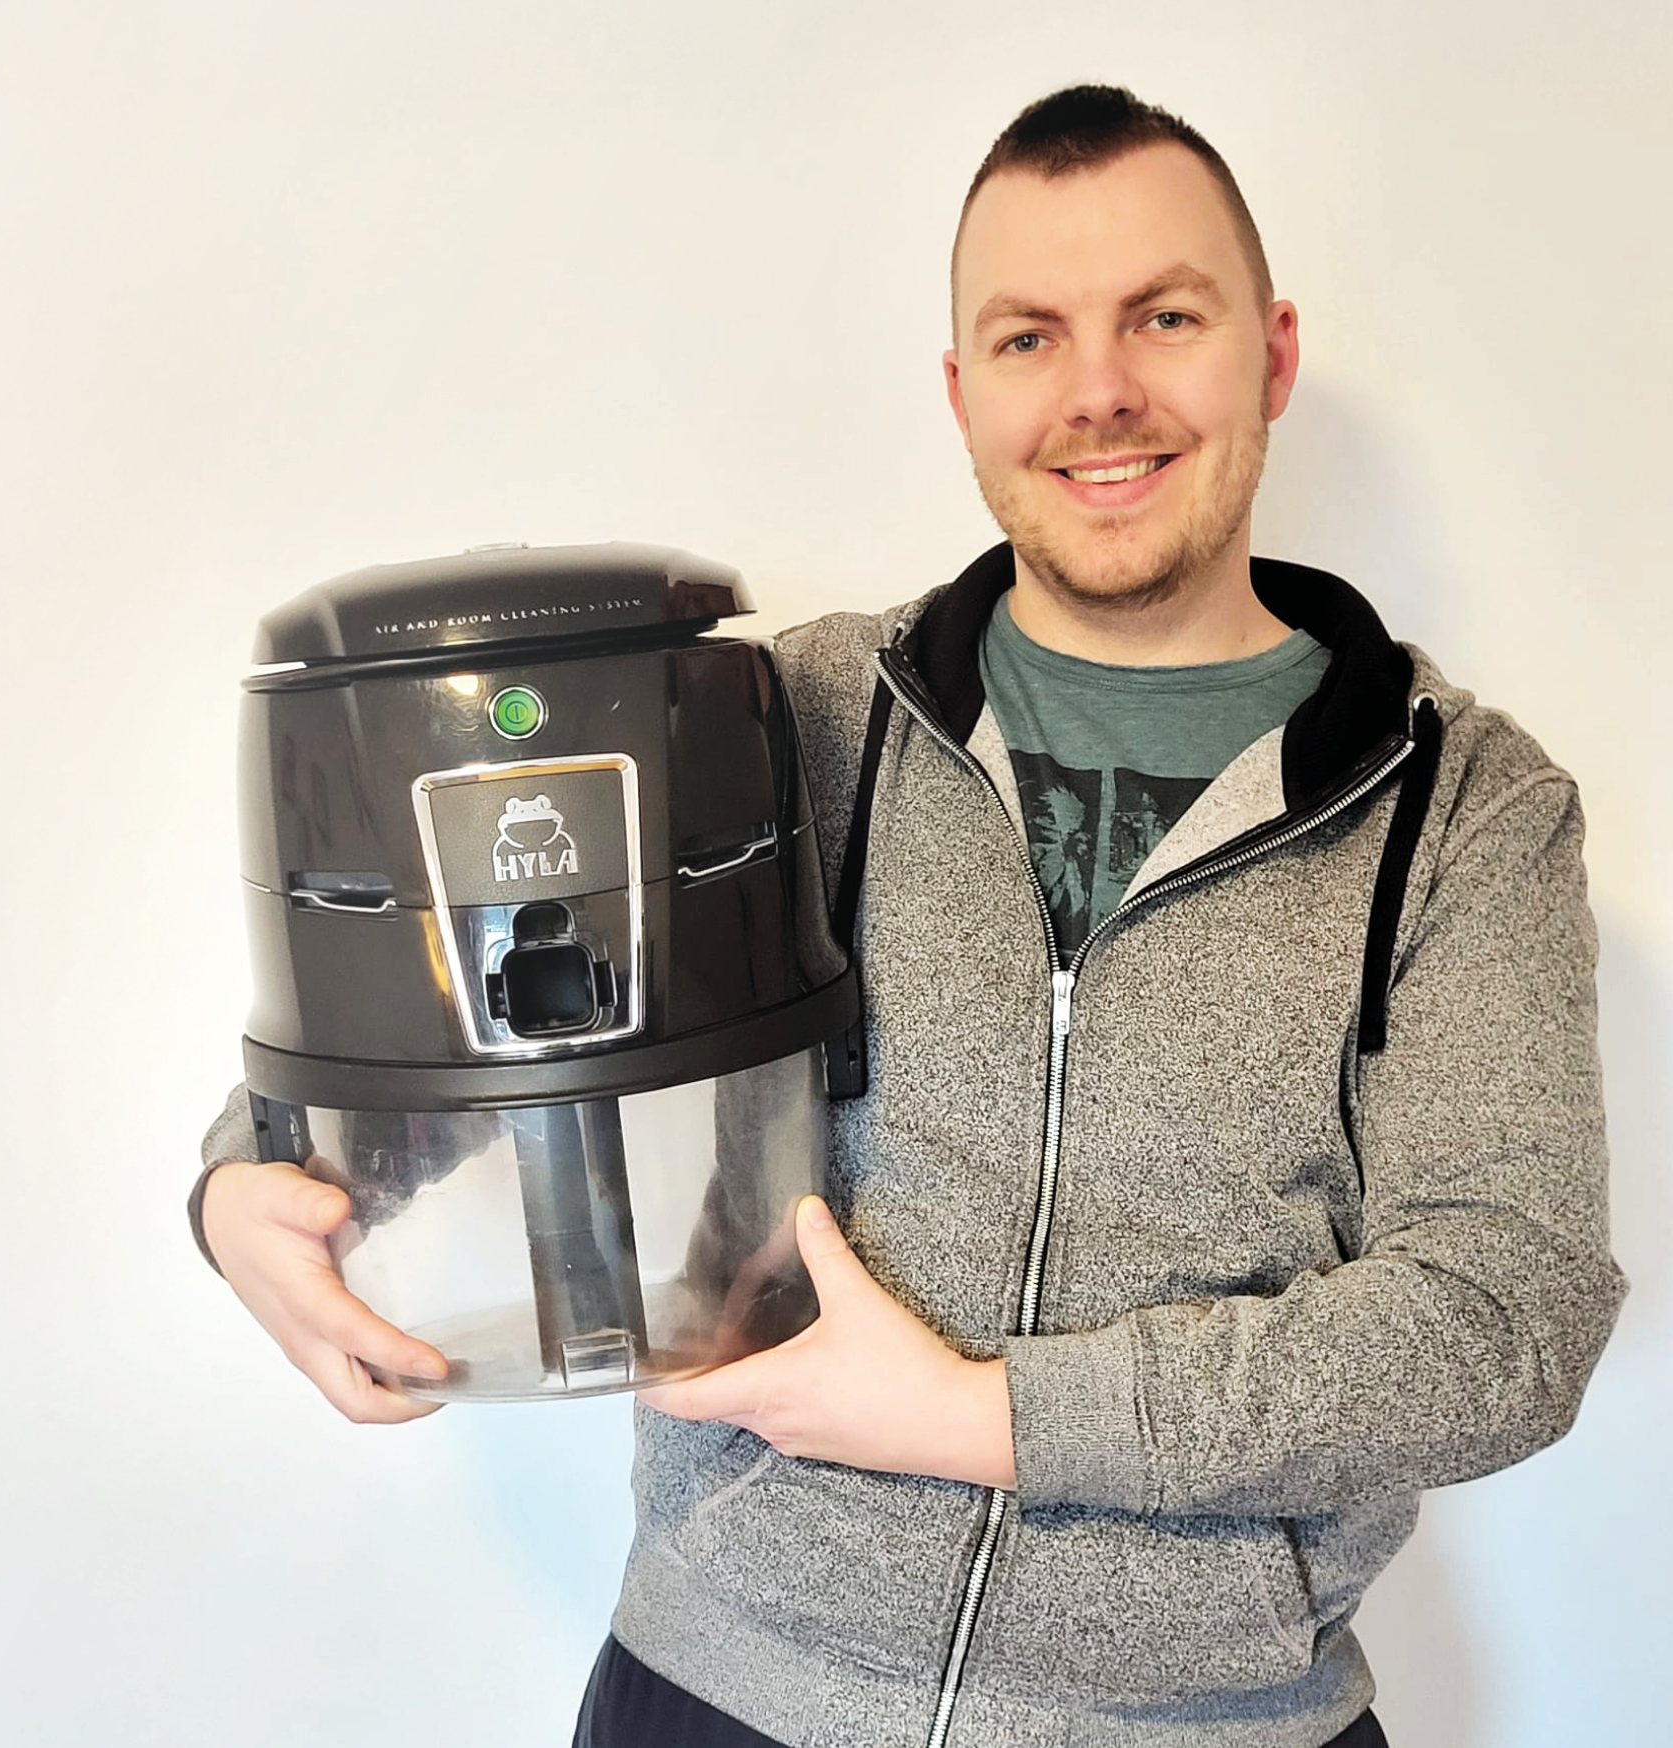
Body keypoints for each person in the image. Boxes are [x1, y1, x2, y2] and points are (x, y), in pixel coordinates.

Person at [185, 85, 1625, 1748]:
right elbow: (453, 973)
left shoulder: (1468, 812)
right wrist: (238, 1187)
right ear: (962, 393)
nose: (1100, 391)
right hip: (717, 1690)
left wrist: (975, 1416)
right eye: (1029, 337)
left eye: (1165, 317)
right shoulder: (774, 715)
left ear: (1273, 354)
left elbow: (1504, 1319)